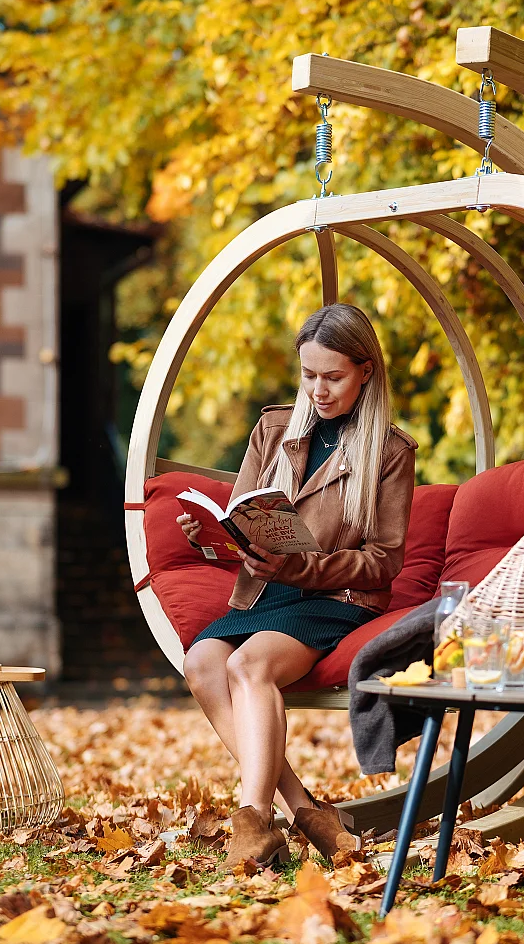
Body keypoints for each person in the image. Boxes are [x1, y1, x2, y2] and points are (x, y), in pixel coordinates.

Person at [178, 303, 417, 868]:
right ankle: (306, 811)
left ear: (366, 371)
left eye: (332, 376)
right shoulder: (272, 428)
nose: (318, 389)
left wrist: (303, 570)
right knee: (202, 663)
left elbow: (384, 562)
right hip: (265, 592)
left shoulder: (389, 451)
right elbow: (243, 520)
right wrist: (209, 535)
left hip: (335, 599)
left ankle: (253, 821)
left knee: (248, 667)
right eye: (308, 375)